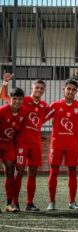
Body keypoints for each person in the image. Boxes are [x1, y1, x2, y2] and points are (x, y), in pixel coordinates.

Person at [44, 79, 78, 211]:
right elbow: (42, 119)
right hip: (56, 145)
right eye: (68, 89)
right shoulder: (55, 105)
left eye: (73, 90)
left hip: (72, 146)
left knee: (72, 173)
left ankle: (72, 202)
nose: (70, 91)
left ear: (76, 92)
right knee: (53, 172)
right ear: (64, 89)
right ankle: (52, 202)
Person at [1, 73, 48, 211]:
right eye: (36, 88)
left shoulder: (44, 105)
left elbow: (46, 118)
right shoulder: (22, 100)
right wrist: (5, 83)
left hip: (36, 143)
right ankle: (14, 203)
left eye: (41, 88)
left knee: (33, 172)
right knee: (19, 172)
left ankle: (29, 203)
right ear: (32, 88)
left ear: (44, 91)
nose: (39, 90)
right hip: (21, 142)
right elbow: (4, 97)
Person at [0, 87, 26, 212]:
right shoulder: (2, 111)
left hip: (8, 145)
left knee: (10, 173)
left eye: (20, 99)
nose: (17, 101)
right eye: (14, 98)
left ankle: (9, 204)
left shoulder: (23, 112)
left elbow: (19, 131)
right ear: (10, 99)